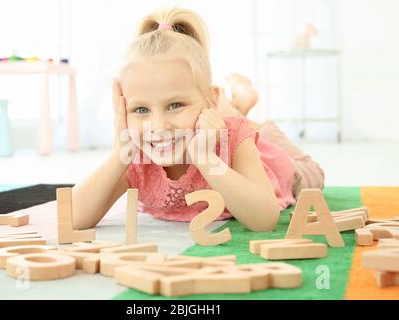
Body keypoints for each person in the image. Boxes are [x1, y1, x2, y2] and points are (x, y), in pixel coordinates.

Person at [72, 7, 324, 232]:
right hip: (215, 123)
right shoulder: (136, 155)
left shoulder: (235, 139)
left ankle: (240, 112)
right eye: (140, 110)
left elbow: (265, 220)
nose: (158, 127)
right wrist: (120, 154)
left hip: (276, 164)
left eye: (175, 105)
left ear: (210, 100)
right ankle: (236, 107)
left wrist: (206, 159)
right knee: (233, 124)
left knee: (312, 173)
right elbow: (71, 218)